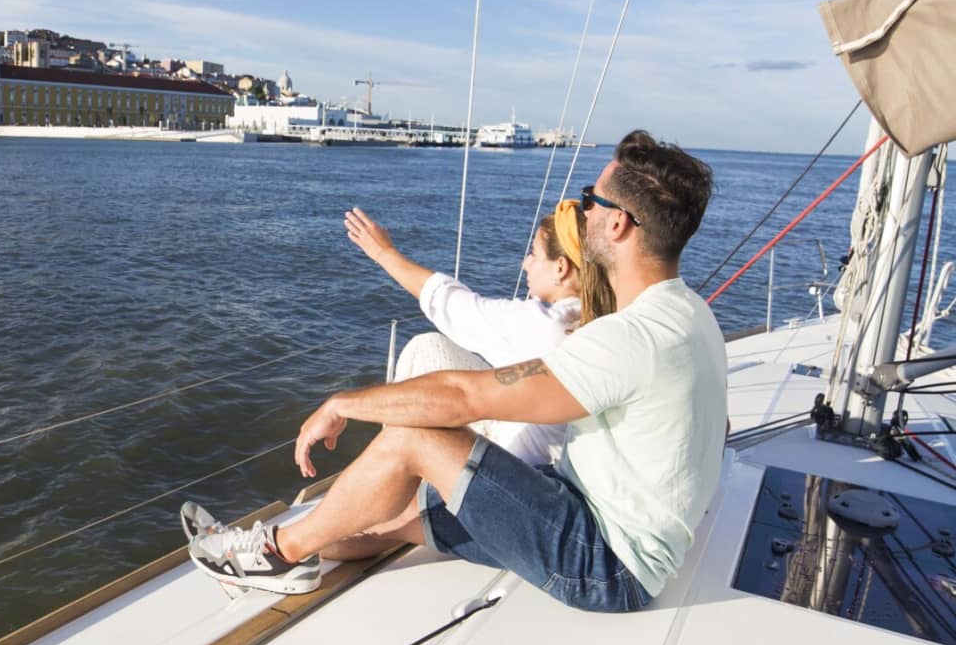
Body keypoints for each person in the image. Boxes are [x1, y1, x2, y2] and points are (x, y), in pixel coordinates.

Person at [188, 130, 727, 612]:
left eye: (591, 200)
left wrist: (340, 404)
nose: (580, 211)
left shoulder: (627, 338)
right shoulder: (688, 313)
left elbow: (465, 396)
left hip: (603, 565)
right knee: (401, 526)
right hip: (585, 516)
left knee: (414, 439)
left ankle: (275, 557)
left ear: (618, 223)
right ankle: (275, 546)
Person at [342, 202, 612, 465]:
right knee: (429, 344)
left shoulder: (547, 326)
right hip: (558, 455)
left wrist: (384, 253)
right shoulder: (605, 317)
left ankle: (394, 470)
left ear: (561, 268)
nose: (525, 264)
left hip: (524, 470)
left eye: (534, 254)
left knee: (423, 357)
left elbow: (454, 306)